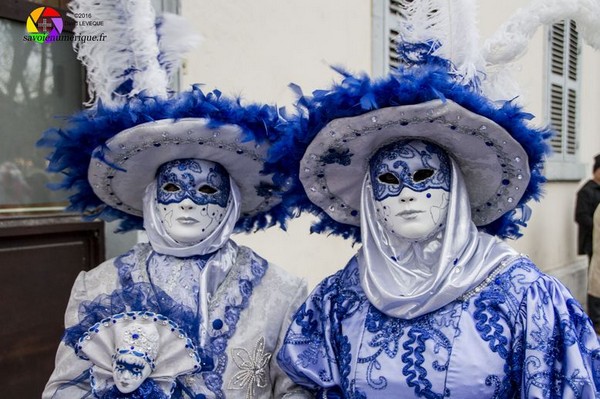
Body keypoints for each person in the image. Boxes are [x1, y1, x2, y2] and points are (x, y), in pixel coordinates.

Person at [273, 11, 600, 397]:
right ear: (370, 200)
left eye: (424, 177)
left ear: (456, 190)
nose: (407, 193)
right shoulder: (339, 298)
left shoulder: (524, 295)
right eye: (389, 182)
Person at [576, 154, 600, 330]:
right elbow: (581, 216)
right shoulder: (586, 190)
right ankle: (595, 318)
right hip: (592, 241)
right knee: (595, 278)